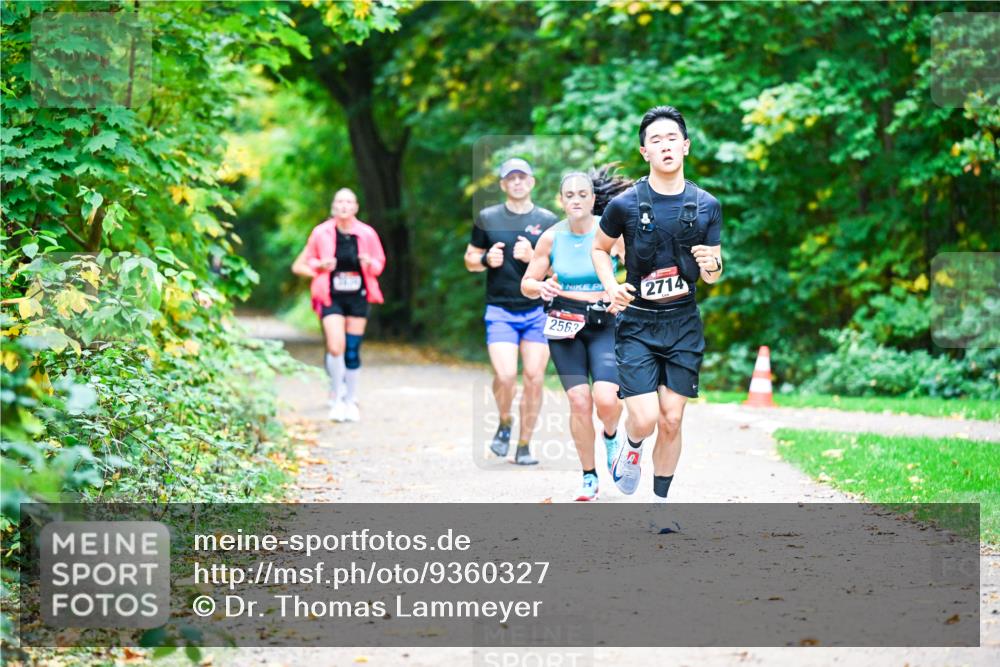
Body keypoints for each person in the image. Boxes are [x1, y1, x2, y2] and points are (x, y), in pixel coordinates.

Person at [592, 106, 724, 501]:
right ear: (644, 151)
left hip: (683, 323)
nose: (665, 146)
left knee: (672, 419)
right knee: (646, 418)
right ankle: (631, 447)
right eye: (656, 140)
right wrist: (611, 287)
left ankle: (659, 505)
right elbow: (599, 249)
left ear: (685, 146)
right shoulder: (625, 205)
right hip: (637, 324)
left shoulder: (707, 205)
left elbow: (713, 272)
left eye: (672, 138)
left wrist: (713, 264)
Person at [520, 167, 630, 500]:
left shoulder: (609, 233)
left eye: (583, 194)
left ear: (594, 199)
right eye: (570, 195)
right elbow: (526, 283)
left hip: (604, 322)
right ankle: (589, 476)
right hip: (564, 323)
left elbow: (637, 268)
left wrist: (623, 291)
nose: (576, 200)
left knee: (606, 399)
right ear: (561, 201)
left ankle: (611, 435)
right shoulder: (551, 237)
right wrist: (540, 286)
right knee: (579, 401)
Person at [465, 158, 559, 465]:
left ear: (531, 182)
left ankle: (524, 444)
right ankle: (505, 421)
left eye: (522, 177)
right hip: (500, 309)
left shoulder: (548, 220)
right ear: (503, 184)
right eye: (511, 178)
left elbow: (559, 270)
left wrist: (533, 258)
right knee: (505, 376)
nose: (517, 182)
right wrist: (485, 260)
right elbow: (470, 259)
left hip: (537, 310)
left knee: (534, 377)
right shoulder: (487, 217)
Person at [292, 188, 386, 423]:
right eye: (340, 201)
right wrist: (319, 266)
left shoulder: (367, 234)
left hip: (358, 295)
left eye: (349, 202)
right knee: (335, 347)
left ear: (356, 207)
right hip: (330, 295)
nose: (344, 205)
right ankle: (336, 397)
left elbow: (379, 264)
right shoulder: (321, 233)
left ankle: (350, 400)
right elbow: (303, 264)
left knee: (352, 349)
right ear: (334, 206)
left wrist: (369, 263)